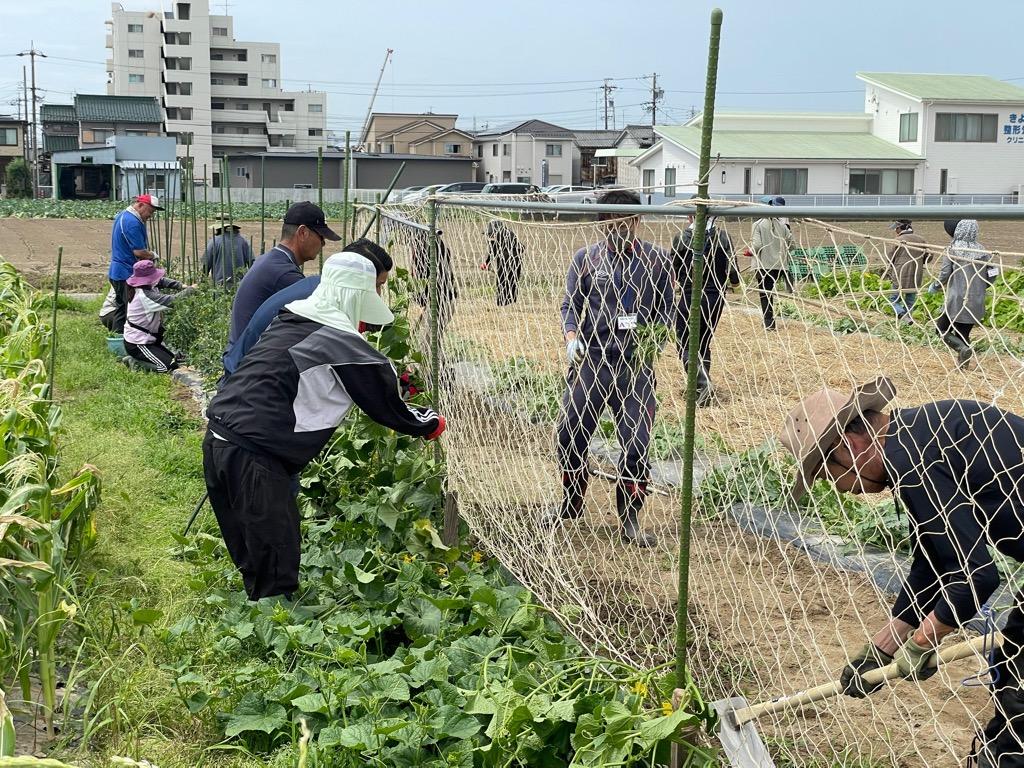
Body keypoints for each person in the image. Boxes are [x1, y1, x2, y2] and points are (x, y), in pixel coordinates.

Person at [779, 377, 1024, 768]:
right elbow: (934, 560)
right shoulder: (915, 438)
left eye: (827, 474)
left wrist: (923, 642)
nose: (838, 488)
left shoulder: (914, 462)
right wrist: (884, 646)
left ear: (850, 446)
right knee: (1012, 674)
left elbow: (977, 576)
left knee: (1019, 704)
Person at [203, 252, 447, 600]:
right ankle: (276, 622)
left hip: (219, 437)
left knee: (250, 548)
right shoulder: (338, 338)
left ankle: (256, 612)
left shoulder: (292, 317)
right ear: (354, 298)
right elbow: (383, 398)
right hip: (255, 455)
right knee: (276, 559)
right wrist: (428, 423)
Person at [553, 189, 674, 548]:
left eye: (624, 221)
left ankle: (630, 518)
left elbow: (668, 309)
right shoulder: (586, 259)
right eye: (610, 222)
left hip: (635, 366)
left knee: (637, 445)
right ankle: (572, 501)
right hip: (591, 361)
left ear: (637, 220)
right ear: (602, 223)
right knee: (569, 434)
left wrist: (654, 342)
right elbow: (570, 305)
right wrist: (571, 336)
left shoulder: (657, 261)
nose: (617, 229)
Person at [221, 238, 393, 378]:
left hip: (246, 374)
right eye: (377, 285)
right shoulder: (319, 306)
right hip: (244, 378)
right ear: (357, 277)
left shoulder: (319, 288)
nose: (378, 294)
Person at [226, 201, 340, 356]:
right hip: (246, 361)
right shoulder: (284, 274)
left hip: (239, 355)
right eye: (321, 236)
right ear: (303, 233)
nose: (324, 243)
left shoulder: (271, 260)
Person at [672, 214, 740, 405]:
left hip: (690, 296)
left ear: (690, 216)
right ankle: (701, 392)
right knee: (703, 342)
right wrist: (735, 284)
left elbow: (673, 267)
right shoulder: (723, 237)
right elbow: (732, 269)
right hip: (715, 298)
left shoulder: (681, 238)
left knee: (685, 343)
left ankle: (702, 384)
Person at [932, 219, 996, 369]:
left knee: (941, 329)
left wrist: (935, 286)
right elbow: (994, 272)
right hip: (976, 299)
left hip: (957, 299)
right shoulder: (983, 251)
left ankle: (961, 349)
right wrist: (983, 285)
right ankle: (963, 366)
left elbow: (945, 273)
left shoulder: (952, 249)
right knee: (963, 333)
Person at [121, 260, 194, 373]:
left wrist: (180, 285)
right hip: (138, 343)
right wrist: (191, 290)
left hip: (149, 339)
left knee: (175, 360)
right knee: (167, 367)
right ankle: (135, 362)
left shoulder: (142, 286)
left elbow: (162, 281)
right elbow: (173, 301)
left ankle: (139, 359)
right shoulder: (145, 296)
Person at [108, 194, 162, 334]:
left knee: (122, 308)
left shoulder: (124, 215)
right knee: (128, 310)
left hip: (118, 271)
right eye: (150, 211)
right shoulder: (132, 222)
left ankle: (116, 339)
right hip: (125, 272)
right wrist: (153, 255)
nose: (150, 215)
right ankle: (123, 339)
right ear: (140, 205)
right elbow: (139, 252)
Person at [750, 195, 794, 331]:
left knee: (765, 294)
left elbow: (757, 245)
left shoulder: (757, 225)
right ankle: (769, 321)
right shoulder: (783, 226)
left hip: (764, 266)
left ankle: (769, 323)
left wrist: (750, 251)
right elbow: (792, 245)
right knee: (770, 292)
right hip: (779, 266)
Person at [883, 219, 930, 324]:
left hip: (900, 274)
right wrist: (920, 261)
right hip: (916, 274)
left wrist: (892, 266)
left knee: (893, 300)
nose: (895, 230)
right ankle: (907, 320)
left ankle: (902, 315)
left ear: (900, 228)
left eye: (896, 228)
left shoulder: (898, 240)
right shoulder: (921, 240)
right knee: (910, 300)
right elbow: (929, 256)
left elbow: (890, 258)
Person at [481, 220, 524, 306]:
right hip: (517, 258)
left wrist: (486, 263)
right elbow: (521, 247)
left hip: (506, 258)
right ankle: (511, 301)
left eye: (490, 233)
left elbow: (493, 250)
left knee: (502, 280)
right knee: (513, 280)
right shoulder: (510, 233)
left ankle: (502, 302)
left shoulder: (498, 235)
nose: (489, 236)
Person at [203, 218, 253, 286]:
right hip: (240, 285)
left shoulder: (214, 242)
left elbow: (205, 265)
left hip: (220, 286)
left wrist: (202, 283)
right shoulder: (243, 241)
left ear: (218, 229)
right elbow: (252, 263)